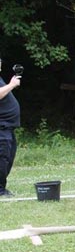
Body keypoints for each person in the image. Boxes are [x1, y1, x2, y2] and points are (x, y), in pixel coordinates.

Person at [0, 58, 21, 197]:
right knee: (2, 157)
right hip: (2, 127)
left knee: (8, 156)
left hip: (8, 127)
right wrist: (12, 85)